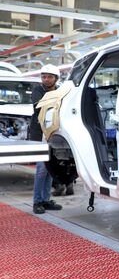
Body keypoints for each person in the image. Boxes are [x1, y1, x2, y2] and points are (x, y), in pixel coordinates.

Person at [30, 64, 63, 214]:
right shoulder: (37, 90)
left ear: (56, 78)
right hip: (40, 133)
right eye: (44, 76)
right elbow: (40, 106)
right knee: (41, 169)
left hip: (54, 133)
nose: (46, 79)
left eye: (49, 76)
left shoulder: (60, 90)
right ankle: (37, 201)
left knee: (50, 168)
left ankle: (45, 199)